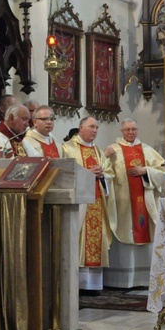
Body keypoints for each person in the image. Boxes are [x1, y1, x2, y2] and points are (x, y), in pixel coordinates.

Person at [102, 119, 164, 288]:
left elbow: (163, 170)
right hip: (122, 203)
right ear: (121, 131)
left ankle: (144, 280)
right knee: (123, 232)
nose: (130, 132)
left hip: (144, 201)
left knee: (144, 232)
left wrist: (145, 171)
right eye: (127, 129)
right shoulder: (112, 150)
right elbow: (103, 171)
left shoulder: (147, 150)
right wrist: (104, 158)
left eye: (134, 129)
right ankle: (121, 281)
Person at [62, 117, 117, 291]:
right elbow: (65, 173)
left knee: (95, 239)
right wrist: (87, 173)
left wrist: (102, 175)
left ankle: (93, 285)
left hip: (97, 201)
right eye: (91, 127)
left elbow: (109, 172)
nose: (95, 130)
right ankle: (77, 285)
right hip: (79, 204)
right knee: (79, 239)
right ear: (81, 128)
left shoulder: (98, 151)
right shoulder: (68, 148)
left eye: (97, 128)